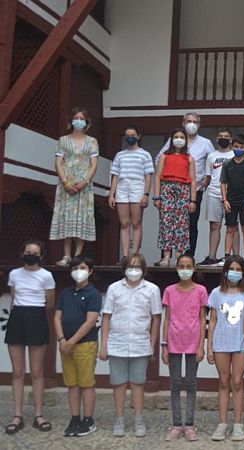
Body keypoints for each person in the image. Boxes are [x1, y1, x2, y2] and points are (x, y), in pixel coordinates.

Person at [99, 254, 161, 438]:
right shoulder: (114, 289)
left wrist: (152, 344)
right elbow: (106, 317)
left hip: (140, 344)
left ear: (144, 269)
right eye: (130, 266)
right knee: (118, 383)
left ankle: (138, 419)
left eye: (137, 266)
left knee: (137, 383)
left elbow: (156, 318)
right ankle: (119, 419)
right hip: (116, 342)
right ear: (124, 268)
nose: (134, 270)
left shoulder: (152, 290)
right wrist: (103, 345)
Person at [4, 240, 56, 435]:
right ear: (22, 253)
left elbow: (49, 302)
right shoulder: (14, 274)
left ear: (41, 256)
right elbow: (14, 296)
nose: (31, 255)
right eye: (28, 252)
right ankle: (17, 415)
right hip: (18, 317)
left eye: (35, 252)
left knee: (36, 371)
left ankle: (38, 414)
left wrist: (35, 313)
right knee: (17, 371)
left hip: (37, 317)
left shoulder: (46, 276)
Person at [207, 255, 244, 442]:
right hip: (221, 343)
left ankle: (238, 423)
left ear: (243, 272)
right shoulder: (216, 293)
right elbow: (212, 322)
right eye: (231, 269)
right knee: (223, 381)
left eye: (238, 269)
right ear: (225, 271)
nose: (234, 273)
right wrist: (209, 347)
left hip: (241, 343)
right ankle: (222, 423)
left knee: (237, 382)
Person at [160, 254, 208, 442]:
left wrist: (201, 346)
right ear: (176, 268)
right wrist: (164, 345)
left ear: (194, 268)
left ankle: (189, 423)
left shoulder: (201, 290)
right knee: (175, 383)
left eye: (189, 266)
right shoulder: (170, 291)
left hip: (193, 341)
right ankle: (176, 423)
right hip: (173, 341)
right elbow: (166, 318)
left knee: (191, 383)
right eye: (182, 265)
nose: (185, 269)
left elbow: (202, 318)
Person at [54, 255, 101, 437]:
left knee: (86, 384)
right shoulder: (65, 293)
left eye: (82, 268)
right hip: (65, 345)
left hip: (85, 344)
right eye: (74, 268)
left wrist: (72, 341)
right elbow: (57, 317)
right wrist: (61, 340)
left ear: (90, 271)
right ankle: (74, 418)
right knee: (72, 384)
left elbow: (90, 321)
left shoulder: (93, 294)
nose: (78, 272)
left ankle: (88, 420)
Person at [157, 112, 215, 257]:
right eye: (189, 121)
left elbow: (215, 162)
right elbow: (159, 159)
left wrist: (208, 178)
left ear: (199, 125)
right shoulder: (174, 140)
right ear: (183, 123)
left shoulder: (205, 142)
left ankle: (188, 257)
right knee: (167, 222)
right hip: (170, 190)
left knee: (190, 224)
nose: (192, 124)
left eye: (195, 122)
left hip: (194, 190)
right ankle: (166, 256)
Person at [51, 107, 99, 266]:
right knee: (67, 216)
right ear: (71, 120)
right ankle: (66, 255)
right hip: (67, 182)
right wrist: (65, 182)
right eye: (76, 118)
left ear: (86, 122)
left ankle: (78, 254)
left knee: (82, 216)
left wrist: (84, 182)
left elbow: (94, 165)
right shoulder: (63, 140)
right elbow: (58, 162)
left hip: (84, 184)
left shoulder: (92, 141)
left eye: (82, 118)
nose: (79, 121)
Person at [109, 125, 154, 261]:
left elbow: (148, 176)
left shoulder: (144, 154)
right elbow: (115, 175)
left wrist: (146, 194)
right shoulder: (120, 155)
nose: (130, 137)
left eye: (133, 135)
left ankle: (134, 254)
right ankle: (124, 255)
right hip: (122, 187)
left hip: (137, 186)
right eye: (127, 135)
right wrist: (112, 194)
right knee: (124, 223)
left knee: (136, 222)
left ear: (138, 136)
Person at [154, 129, 197, 267]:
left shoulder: (189, 158)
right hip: (167, 190)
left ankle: (178, 257)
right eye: (176, 137)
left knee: (182, 224)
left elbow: (193, 180)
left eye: (182, 137)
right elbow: (157, 177)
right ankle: (166, 257)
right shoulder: (164, 156)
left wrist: (193, 200)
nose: (179, 139)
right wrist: (157, 197)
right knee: (166, 222)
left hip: (183, 190)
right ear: (172, 139)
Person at [220, 134, 244, 267]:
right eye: (236, 147)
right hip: (230, 201)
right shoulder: (227, 164)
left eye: (242, 147)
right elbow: (222, 183)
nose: (239, 149)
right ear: (232, 147)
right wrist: (224, 200)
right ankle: (226, 256)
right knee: (230, 229)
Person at [199, 128, 237, 266]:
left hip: (232, 194)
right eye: (221, 136)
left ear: (231, 139)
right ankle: (212, 256)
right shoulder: (211, 156)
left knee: (233, 227)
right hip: (214, 193)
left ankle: (235, 257)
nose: (223, 138)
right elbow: (208, 176)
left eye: (226, 136)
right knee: (214, 225)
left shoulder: (235, 154)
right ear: (216, 138)